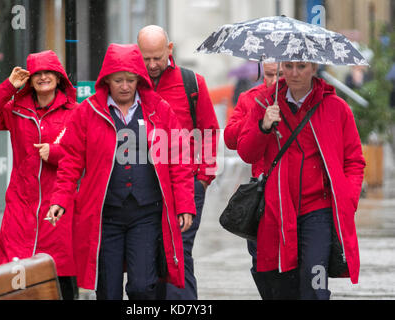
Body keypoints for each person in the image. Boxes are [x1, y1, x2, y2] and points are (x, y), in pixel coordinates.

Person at [46, 43, 196, 300]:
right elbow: (71, 161)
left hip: (146, 214)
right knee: (108, 291)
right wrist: (60, 199)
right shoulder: (87, 112)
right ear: (107, 81)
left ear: (139, 80)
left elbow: (179, 161)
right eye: (118, 80)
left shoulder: (159, 110)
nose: (125, 86)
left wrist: (185, 205)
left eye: (130, 80)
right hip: (105, 217)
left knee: (142, 287)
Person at [237, 61, 366, 299]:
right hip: (277, 212)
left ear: (315, 68)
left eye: (302, 66)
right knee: (280, 288)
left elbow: (355, 161)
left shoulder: (336, 108)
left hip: (318, 212)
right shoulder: (266, 103)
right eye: (288, 66)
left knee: (315, 283)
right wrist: (263, 126)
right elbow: (246, 152)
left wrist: (348, 200)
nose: (294, 73)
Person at [0, 50, 78, 299]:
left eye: (48, 72)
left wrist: (54, 152)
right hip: (21, 205)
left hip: (58, 205)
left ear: (59, 76)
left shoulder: (75, 112)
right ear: (30, 80)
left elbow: (84, 156)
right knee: (16, 272)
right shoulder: (16, 110)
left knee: (58, 272)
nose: (43, 77)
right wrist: (8, 87)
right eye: (37, 73)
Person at [137, 25, 219, 300]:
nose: (151, 65)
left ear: (169, 50)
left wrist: (204, 178)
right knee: (152, 251)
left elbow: (208, 130)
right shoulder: (130, 84)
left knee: (178, 251)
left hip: (187, 183)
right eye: (145, 58)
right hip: (145, 184)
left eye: (157, 57)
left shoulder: (191, 83)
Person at [224, 62, 282, 299]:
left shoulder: (297, 100)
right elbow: (230, 138)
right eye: (268, 75)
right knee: (260, 261)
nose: (274, 82)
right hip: (262, 188)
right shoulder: (251, 98)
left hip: (291, 188)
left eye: (279, 75)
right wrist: (257, 121)